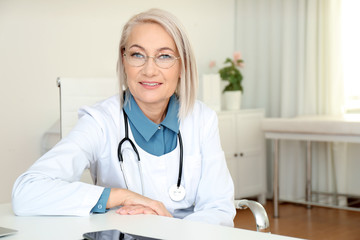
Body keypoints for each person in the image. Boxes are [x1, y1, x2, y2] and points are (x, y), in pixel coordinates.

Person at [12, 8, 236, 226]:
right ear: (124, 60)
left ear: (182, 65)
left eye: (164, 56)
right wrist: (121, 196)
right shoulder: (100, 122)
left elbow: (218, 208)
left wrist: (175, 232)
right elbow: (26, 191)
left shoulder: (202, 119)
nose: (149, 70)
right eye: (137, 55)